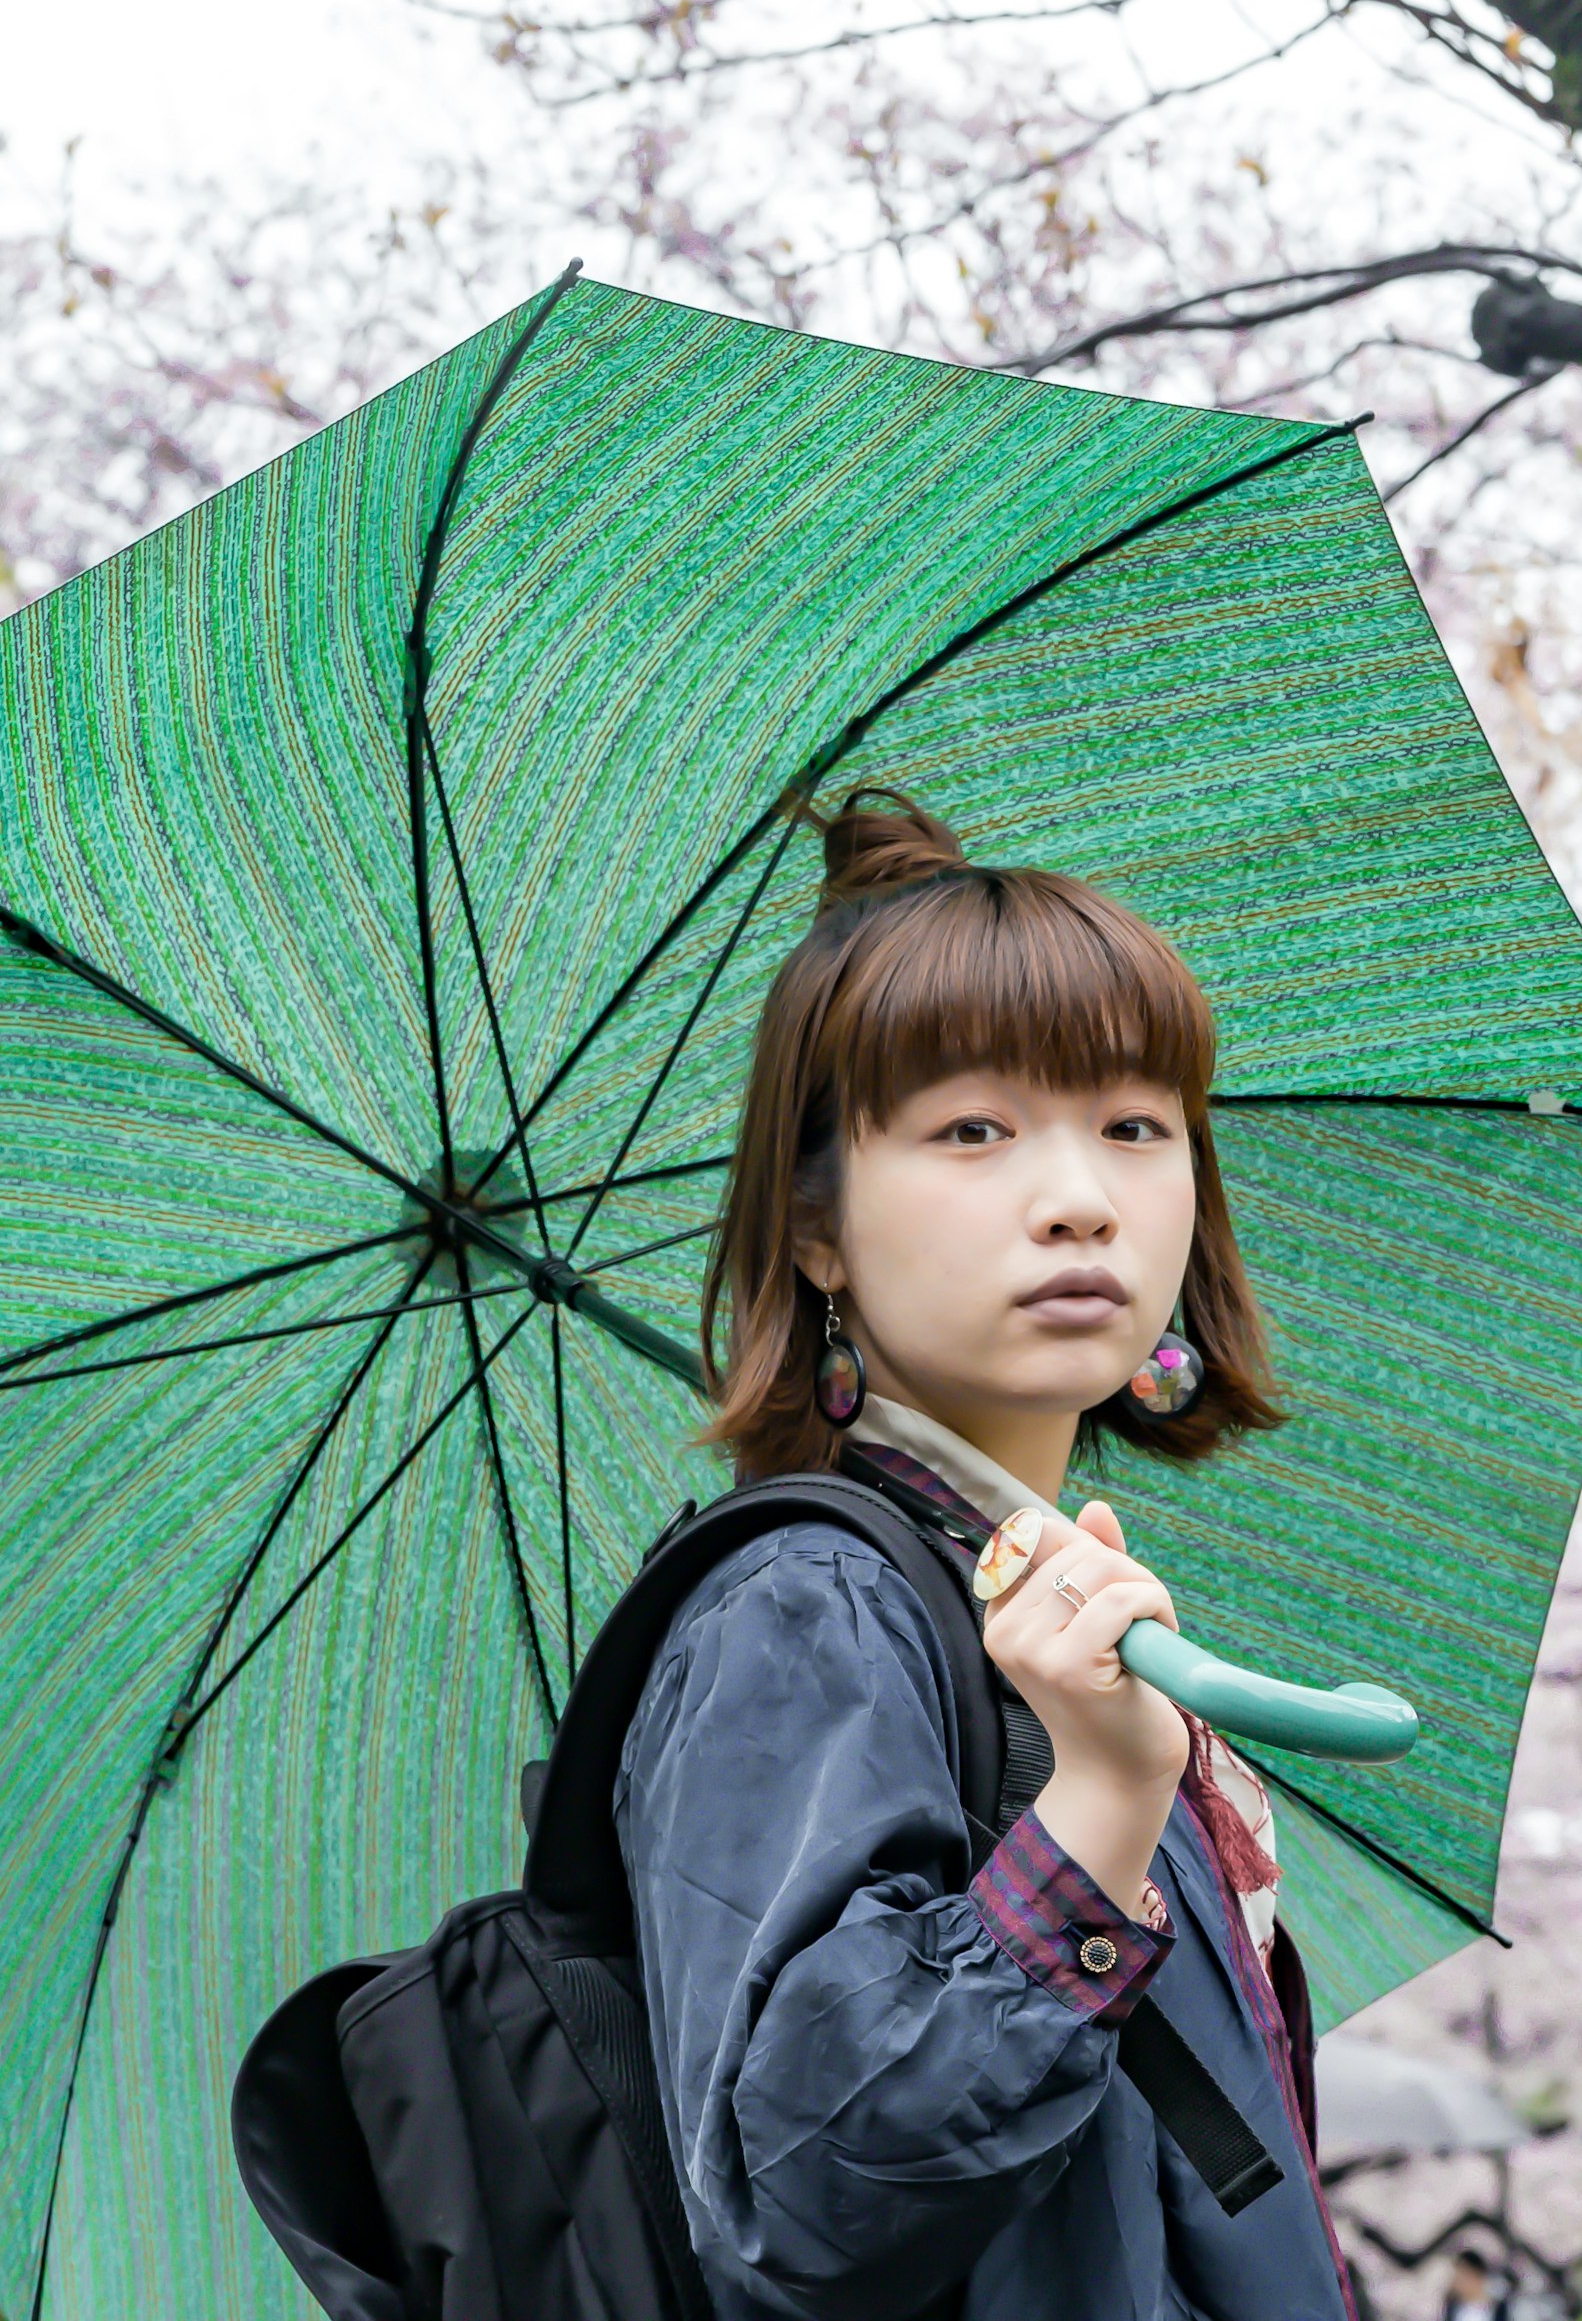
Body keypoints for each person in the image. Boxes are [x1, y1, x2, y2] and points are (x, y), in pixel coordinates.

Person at [613, 784, 1359, 2319]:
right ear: (816, 1228)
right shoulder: (810, 1609)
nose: (1081, 1200)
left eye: (1137, 1127)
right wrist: (1096, 1803)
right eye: (973, 1130)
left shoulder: (1021, 1607)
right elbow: (801, 2203)